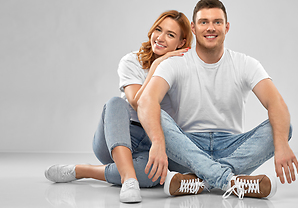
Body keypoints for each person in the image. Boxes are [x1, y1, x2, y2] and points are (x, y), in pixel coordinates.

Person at [137, 0, 298, 199]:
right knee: (157, 115)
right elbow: (146, 101)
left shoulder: (245, 64)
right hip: (187, 148)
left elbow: (276, 103)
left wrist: (282, 144)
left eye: (217, 22)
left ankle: (201, 181)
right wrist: (157, 141)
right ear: (194, 28)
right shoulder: (175, 63)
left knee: (283, 128)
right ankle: (230, 181)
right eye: (204, 22)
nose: (210, 28)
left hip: (233, 148)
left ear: (227, 27)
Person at [44, 10, 193, 203]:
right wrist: (156, 67)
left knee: (152, 176)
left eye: (170, 35)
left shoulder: (184, 70)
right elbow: (137, 102)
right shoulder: (131, 61)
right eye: (159, 29)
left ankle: (85, 171)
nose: (161, 38)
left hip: (156, 141)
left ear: (181, 43)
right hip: (119, 136)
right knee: (115, 103)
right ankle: (129, 180)